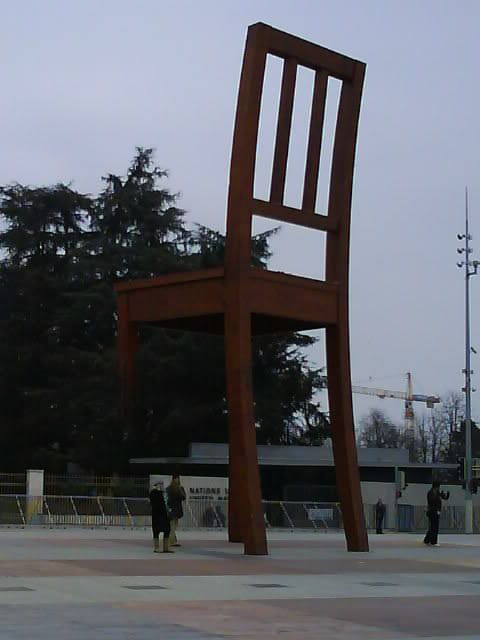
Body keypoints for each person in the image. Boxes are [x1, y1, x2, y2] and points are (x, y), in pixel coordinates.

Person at [149, 481, 173, 553]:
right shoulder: (155, 493)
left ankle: (164, 547)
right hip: (159, 514)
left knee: (165, 530)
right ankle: (158, 547)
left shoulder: (162, 493)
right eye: (160, 485)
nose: (161, 486)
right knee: (158, 530)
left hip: (162, 514)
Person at [424, 480, 449, 546]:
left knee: (433, 526)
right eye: (438, 487)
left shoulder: (436, 492)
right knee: (434, 527)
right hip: (432, 511)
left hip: (436, 512)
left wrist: (446, 495)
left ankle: (427, 540)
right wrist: (438, 497)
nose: (438, 488)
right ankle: (433, 541)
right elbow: (432, 501)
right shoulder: (431, 493)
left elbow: (443, 497)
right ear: (436, 487)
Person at [166, 473, 186, 547]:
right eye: (176, 479)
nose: (177, 480)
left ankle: (173, 539)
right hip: (173, 508)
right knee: (172, 526)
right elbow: (168, 500)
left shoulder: (179, 488)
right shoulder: (170, 489)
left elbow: (183, 497)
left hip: (175, 509)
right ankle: (172, 541)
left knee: (174, 525)